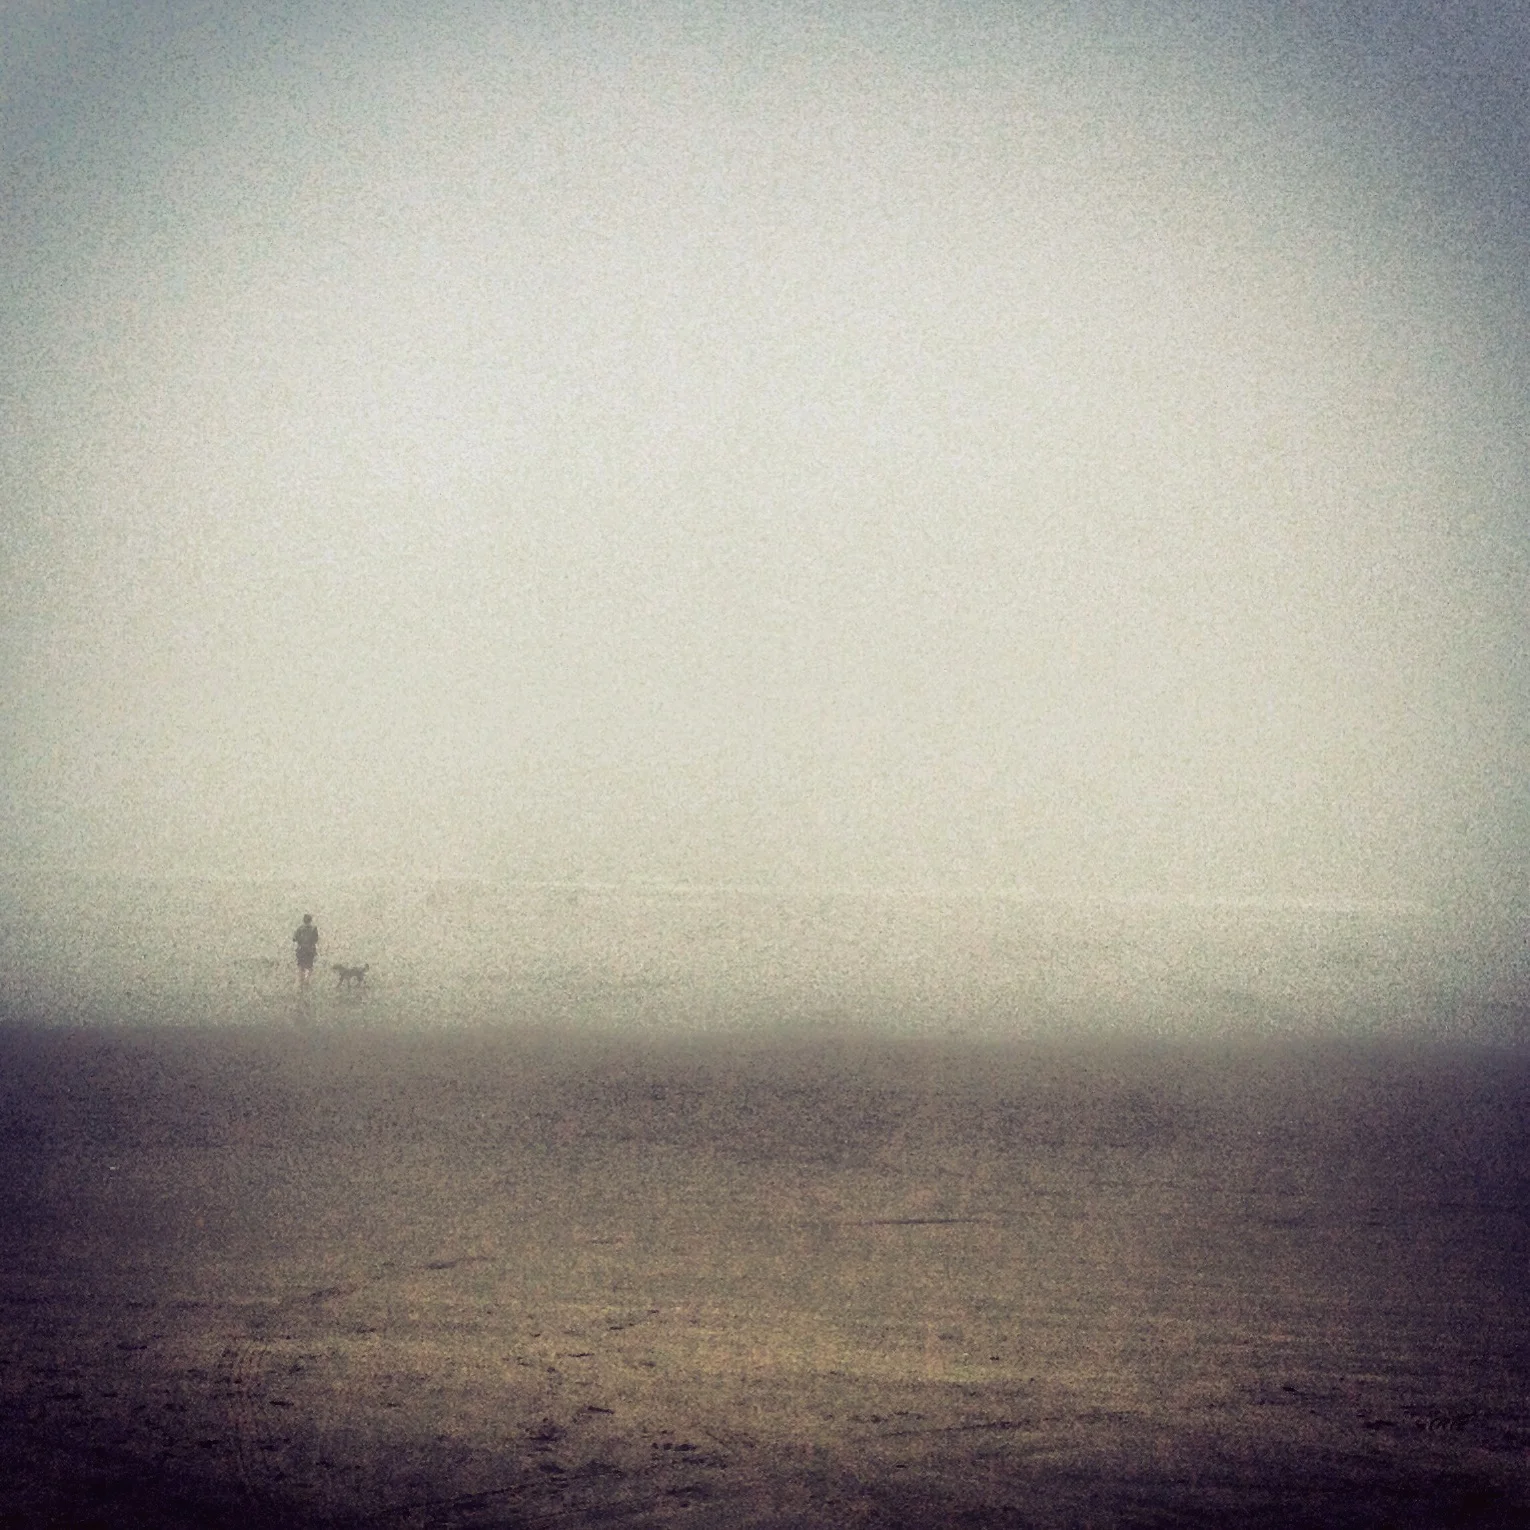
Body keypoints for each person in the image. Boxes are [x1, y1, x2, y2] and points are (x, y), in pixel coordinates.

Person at [293, 913, 319, 986]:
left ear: (303, 920)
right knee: (310, 966)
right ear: (310, 920)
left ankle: (301, 980)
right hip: (310, 950)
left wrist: (300, 941)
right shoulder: (314, 928)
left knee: (301, 966)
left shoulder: (299, 929)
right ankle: (307, 980)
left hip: (301, 950)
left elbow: (294, 938)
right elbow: (316, 939)